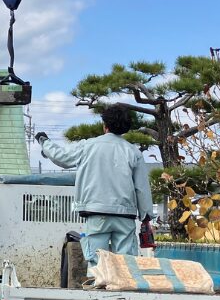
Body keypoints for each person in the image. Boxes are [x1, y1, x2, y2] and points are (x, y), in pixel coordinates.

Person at [36, 103, 152, 261]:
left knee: (96, 262)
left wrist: (45, 142)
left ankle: (96, 284)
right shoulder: (133, 151)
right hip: (125, 215)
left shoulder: (88, 146)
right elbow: (142, 189)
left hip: (96, 212)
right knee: (126, 264)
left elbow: (62, 158)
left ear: (104, 125)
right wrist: (145, 218)